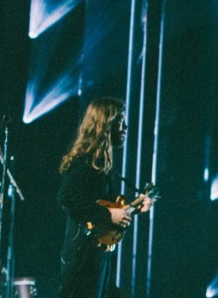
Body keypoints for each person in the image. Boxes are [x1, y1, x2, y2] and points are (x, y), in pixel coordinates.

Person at [56, 97, 151, 298]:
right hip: (81, 256)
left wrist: (135, 206)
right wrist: (108, 214)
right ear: (104, 126)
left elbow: (107, 207)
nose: (125, 127)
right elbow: (66, 197)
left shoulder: (102, 166)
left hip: (96, 255)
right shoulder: (85, 162)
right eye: (119, 122)